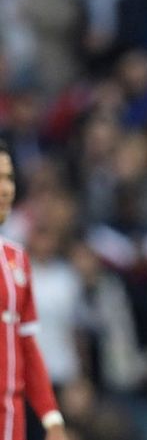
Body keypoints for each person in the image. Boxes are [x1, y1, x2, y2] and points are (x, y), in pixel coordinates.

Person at [0, 140, 67, 440]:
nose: (5, 189)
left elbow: (26, 342)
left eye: (9, 178)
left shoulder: (17, 259)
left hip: (12, 418)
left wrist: (51, 418)